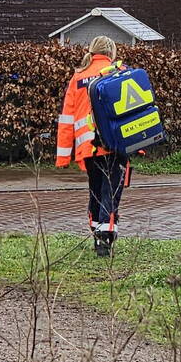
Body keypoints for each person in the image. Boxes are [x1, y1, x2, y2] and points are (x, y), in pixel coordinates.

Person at [55, 35, 128, 258]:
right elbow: (133, 111)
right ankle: (105, 238)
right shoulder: (120, 72)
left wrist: (63, 157)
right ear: (111, 52)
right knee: (110, 192)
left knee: (96, 191)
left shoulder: (78, 77)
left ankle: (97, 234)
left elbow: (67, 119)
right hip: (114, 145)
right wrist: (138, 143)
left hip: (87, 148)